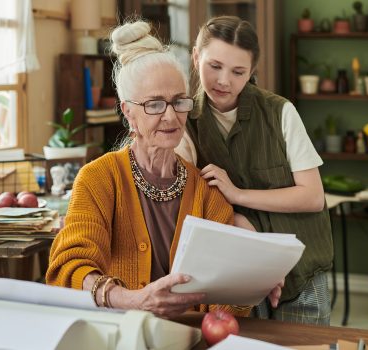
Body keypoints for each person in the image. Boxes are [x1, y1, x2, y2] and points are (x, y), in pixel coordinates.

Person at [46, 20, 281, 319]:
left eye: (178, 102)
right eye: (155, 105)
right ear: (128, 111)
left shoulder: (208, 191)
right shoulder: (98, 179)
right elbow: (69, 270)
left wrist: (249, 282)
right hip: (119, 334)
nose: (171, 116)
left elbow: (223, 308)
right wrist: (133, 299)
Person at [176, 16, 334, 325]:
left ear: (252, 72)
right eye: (215, 66)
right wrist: (234, 215)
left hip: (300, 274)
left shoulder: (279, 112)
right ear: (196, 57)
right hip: (236, 274)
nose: (224, 81)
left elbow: (313, 196)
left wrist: (238, 195)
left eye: (238, 72)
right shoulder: (185, 123)